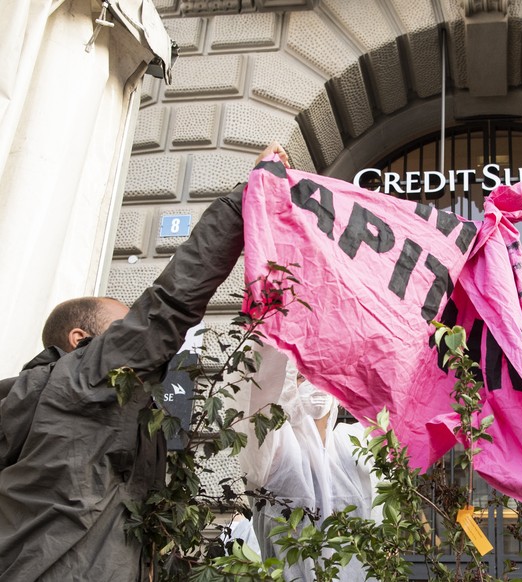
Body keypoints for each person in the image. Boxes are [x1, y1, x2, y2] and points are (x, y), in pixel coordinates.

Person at [0, 142, 289, 581]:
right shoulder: (83, 381)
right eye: (119, 330)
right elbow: (167, 306)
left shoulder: (34, 408)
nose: (142, 345)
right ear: (81, 341)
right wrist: (243, 197)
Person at [234, 343, 381, 581]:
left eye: (323, 377)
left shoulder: (353, 445)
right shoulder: (276, 448)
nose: (315, 386)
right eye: (303, 376)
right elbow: (261, 386)